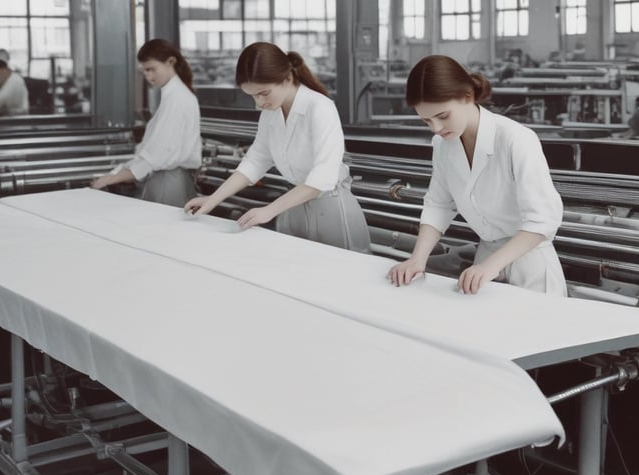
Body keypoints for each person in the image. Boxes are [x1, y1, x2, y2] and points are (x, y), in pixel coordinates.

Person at [388, 55, 566, 298]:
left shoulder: (516, 139)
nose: (436, 128)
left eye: (442, 116)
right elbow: (439, 204)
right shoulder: (442, 145)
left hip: (530, 266)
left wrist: (490, 266)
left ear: (467, 96)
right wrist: (417, 259)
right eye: (426, 120)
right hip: (484, 265)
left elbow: (543, 220)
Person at [184, 42, 370, 253]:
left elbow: (321, 179)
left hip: (331, 210)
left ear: (287, 79)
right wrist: (213, 199)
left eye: (263, 93)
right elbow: (255, 161)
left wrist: (269, 211)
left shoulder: (320, 108)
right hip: (292, 207)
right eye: (252, 96)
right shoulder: (271, 112)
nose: (258, 103)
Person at [91, 38, 201, 207]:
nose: (148, 76)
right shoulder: (173, 96)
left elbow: (155, 157)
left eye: (151, 69)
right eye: (144, 71)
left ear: (170, 62)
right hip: (164, 181)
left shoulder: (178, 99)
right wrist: (116, 173)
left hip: (168, 184)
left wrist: (112, 178)